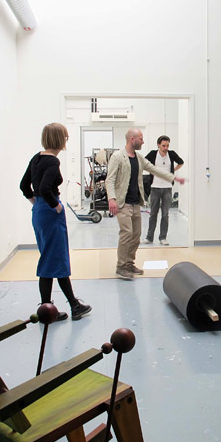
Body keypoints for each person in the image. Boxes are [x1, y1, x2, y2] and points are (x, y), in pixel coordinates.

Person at [20, 122, 92, 321]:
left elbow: (24, 185)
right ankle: (71, 306)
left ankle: (51, 308)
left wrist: (37, 203)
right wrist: (55, 205)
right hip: (51, 214)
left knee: (50, 258)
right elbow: (44, 188)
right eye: (65, 137)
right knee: (56, 259)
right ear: (60, 140)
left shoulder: (36, 158)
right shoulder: (52, 162)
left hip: (39, 212)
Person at [106, 128, 185, 280]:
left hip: (136, 203)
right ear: (132, 139)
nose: (143, 141)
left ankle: (129, 264)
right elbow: (110, 179)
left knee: (136, 236)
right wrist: (112, 199)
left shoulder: (139, 158)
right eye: (141, 139)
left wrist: (172, 177)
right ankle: (121, 267)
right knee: (126, 234)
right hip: (123, 203)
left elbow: (154, 169)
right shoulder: (117, 156)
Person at [143, 135, 184, 245]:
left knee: (165, 215)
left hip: (167, 188)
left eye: (167, 145)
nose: (166, 148)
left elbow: (181, 162)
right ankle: (149, 237)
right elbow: (143, 162)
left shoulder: (171, 154)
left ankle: (162, 237)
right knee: (153, 214)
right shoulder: (153, 154)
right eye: (163, 146)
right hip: (155, 187)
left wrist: (173, 171)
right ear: (158, 145)